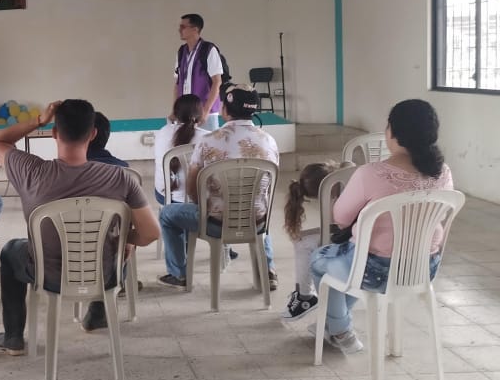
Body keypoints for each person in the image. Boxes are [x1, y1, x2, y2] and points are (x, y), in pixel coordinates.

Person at [0, 99, 161, 355]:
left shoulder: (31, 171)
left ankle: (13, 337)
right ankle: (98, 314)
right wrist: (124, 239)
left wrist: (39, 120)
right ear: (93, 134)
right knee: (119, 244)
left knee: (11, 250)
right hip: (102, 274)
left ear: (54, 133)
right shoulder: (121, 178)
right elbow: (151, 233)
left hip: (48, 276)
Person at [310, 99, 453, 354]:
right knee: (346, 266)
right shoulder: (443, 172)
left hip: (375, 272)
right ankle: (335, 324)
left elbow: (341, 218)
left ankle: (340, 330)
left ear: (392, 132)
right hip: (423, 268)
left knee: (319, 260)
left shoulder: (370, 173)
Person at [157, 84, 280, 290]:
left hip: (216, 223)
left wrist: (203, 206)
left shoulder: (209, 141)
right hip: (256, 222)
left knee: (167, 214)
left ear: (225, 110)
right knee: (257, 208)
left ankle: (179, 274)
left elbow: (192, 187)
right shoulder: (269, 141)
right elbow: (269, 187)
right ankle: (268, 271)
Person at [281, 161, 351, 321]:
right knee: (302, 239)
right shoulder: (345, 180)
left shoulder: (339, 195)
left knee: (303, 244)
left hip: (353, 236)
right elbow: (332, 228)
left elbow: (338, 227)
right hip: (349, 231)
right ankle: (302, 293)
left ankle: (304, 297)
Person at [153, 95, 210, 205]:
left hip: (164, 195)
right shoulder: (208, 138)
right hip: (197, 199)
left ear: (175, 114)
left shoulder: (162, 132)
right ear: (200, 114)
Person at [172, 13, 224, 131]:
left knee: (208, 142)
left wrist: (205, 111)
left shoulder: (209, 49)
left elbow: (217, 82)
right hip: (184, 112)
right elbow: (177, 84)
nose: (179, 30)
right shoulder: (181, 52)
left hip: (205, 113)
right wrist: (175, 110)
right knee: (185, 143)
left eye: (183, 27)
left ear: (195, 29)